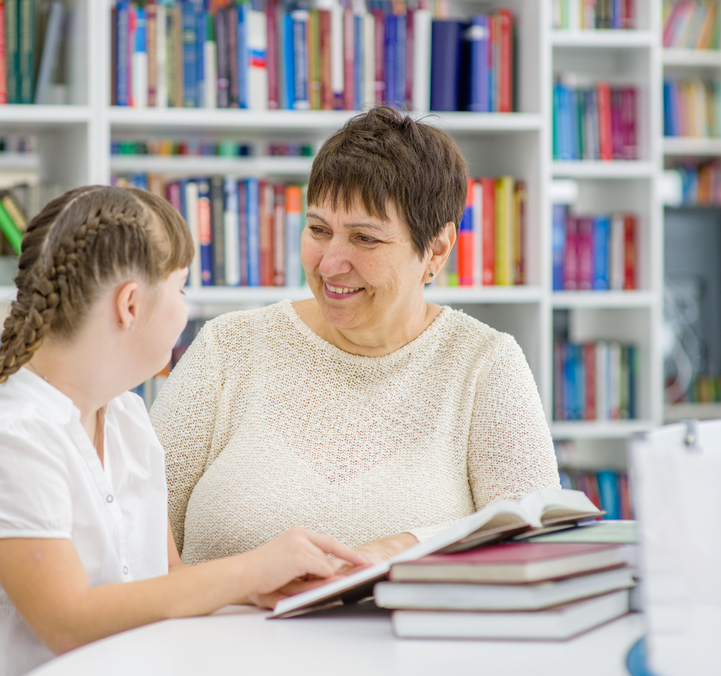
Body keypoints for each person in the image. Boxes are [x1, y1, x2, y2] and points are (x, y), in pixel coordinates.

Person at [0, 186, 366, 676]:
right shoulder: (3, 439)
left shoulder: (128, 420)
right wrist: (250, 568)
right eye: (180, 289)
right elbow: (69, 622)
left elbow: (166, 578)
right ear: (130, 305)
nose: (185, 310)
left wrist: (255, 587)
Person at [151, 107, 561, 575]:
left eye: (365, 238)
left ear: (438, 249)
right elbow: (132, 523)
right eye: (319, 230)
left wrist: (405, 545)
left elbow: (537, 541)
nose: (329, 265)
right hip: (217, 642)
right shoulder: (230, 346)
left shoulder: (484, 364)